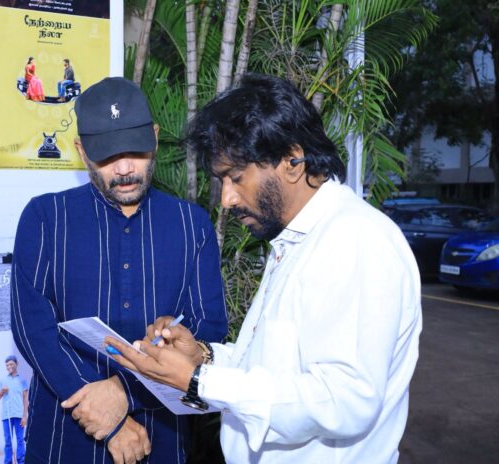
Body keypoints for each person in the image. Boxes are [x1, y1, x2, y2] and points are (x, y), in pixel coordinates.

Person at [105, 74, 423, 464]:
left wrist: (198, 381)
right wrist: (202, 357)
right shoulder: (298, 239)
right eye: (222, 180)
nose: (227, 199)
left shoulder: (353, 240)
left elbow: (344, 400)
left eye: (236, 178)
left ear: (292, 161)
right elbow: (275, 367)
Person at [11, 76, 227, 464]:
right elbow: (33, 329)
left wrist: (124, 392)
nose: (125, 168)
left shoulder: (191, 223)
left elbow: (207, 328)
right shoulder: (44, 217)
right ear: (81, 151)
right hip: (62, 437)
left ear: (155, 138)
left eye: (136, 151)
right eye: (108, 156)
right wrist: (106, 415)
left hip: (160, 437)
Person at [0, 355, 29, 464]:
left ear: (16, 364)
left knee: (20, 440)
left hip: (19, 415)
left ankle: (21, 461)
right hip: (7, 416)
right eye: (7, 365)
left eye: (11, 364)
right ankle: (8, 462)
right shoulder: (3, 380)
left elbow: (25, 399)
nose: (9, 366)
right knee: (8, 442)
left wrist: (25, 416)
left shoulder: (22, 381)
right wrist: (2, 391)